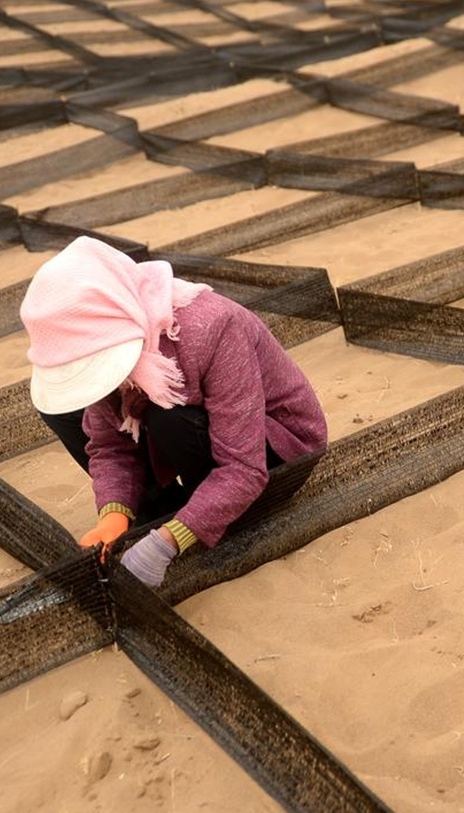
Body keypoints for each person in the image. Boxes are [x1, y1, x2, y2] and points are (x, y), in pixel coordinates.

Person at [20, 237, 328, 589]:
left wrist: (169, 541)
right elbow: (109, 446)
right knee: (66, 413)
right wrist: (114, 513)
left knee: (168, 415)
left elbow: (244, 467)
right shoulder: (105, 331)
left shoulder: (211, 327)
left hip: (275, 455)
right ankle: (158, 513)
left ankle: (194, 522)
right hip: (202, 439)